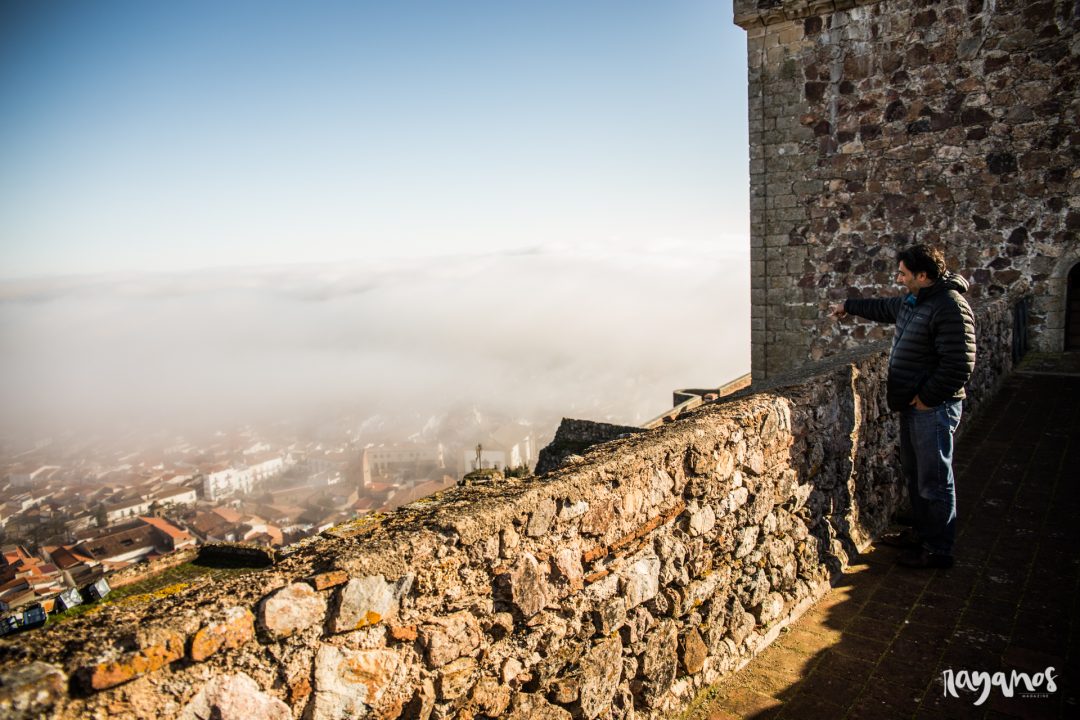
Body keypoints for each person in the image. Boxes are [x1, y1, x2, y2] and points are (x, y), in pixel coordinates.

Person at [831, 244, 976, 569]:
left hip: (934, 408)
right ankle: (922, 536)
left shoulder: (949, 306)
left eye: (903, 273)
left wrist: (926, 398)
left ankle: (939, 550)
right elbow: (884, 308)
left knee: (935, 479)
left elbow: (960, 363)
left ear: (923, 276)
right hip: (915, 406)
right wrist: (848, 306)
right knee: (916, 475)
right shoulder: (916, 301)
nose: (898, 278)